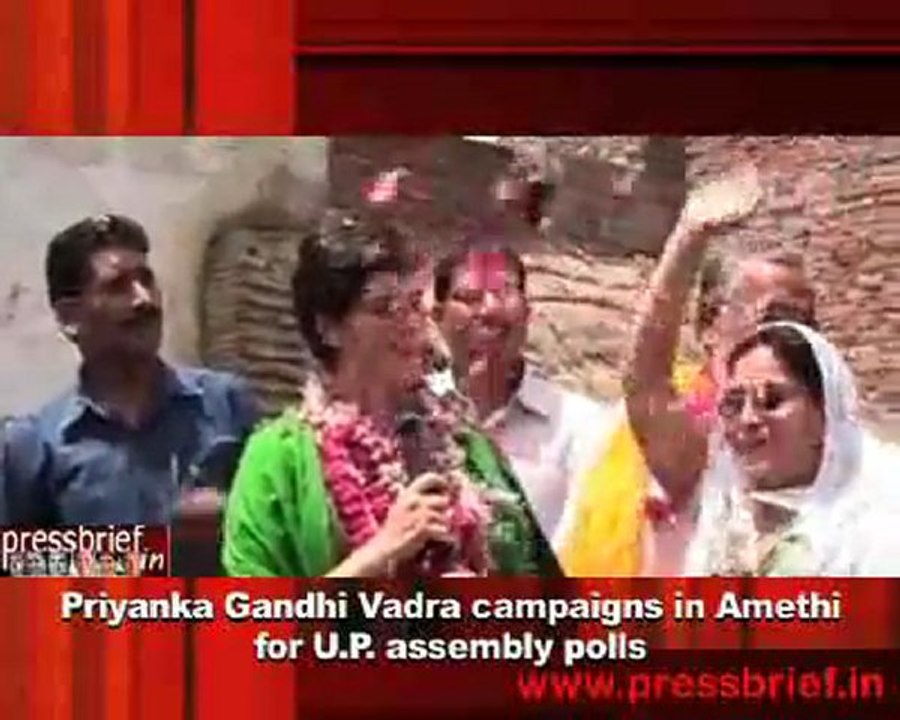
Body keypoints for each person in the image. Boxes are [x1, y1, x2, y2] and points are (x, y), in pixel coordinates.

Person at [221, 212, 558, 577]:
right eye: (384, 308)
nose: (411, 324)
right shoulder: (278, 459)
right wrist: (382, 551)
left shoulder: (465, 443)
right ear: (329, 328)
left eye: (414, 304)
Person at [556, 165, 819, 576]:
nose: (795, 336)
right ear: (709, 325)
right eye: (775, 316)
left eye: (806, 321)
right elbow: (646, 381)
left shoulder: (836, 433)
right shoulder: (703, 432)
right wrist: (688, 237)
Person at [1, 214, 261, 525]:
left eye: (146, 280)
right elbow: (21, 554)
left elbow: (278, 528)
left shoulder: (225, 404)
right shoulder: (36, 445)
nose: (144, 299)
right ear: (70, 318)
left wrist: (229, 514)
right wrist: (150, 548)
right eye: (117, 287)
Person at [430, 242, 615, 546]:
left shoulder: (582, 425)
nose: (489, 310)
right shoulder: (408, 412)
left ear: (528, 312)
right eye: (470, 297)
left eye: (504, 293)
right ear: (438, 316)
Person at [686, 321, 900, 576]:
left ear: (824, 415)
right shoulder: (724, 527)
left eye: (772, 400)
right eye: (734, 404)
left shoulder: (873, 535)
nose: (747, 419)